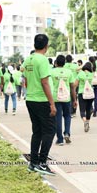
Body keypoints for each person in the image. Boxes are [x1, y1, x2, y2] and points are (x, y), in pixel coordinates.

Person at [23, 34, 56, 175]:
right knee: (49, 131)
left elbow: (25, 81)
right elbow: (44, 82)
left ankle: (33, 162)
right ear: (46, 46)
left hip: (30, 99)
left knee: (37, 132)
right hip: (42, 100)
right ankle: (42, 163)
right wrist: (52, 103)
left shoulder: (28, 60)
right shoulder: (42, 60)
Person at [51, 55, 76, 145]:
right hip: (66, 97)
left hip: (55, 97)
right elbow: (72, 87)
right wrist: (74, 99)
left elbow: (49, 85)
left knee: (58, 118)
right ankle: (67, 133)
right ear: (64, 63)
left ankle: (60, 139)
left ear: (56, 63)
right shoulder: (69, 72)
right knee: (67, 116)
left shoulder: (52, 72)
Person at [75, 62, 94, 132]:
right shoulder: (92, 74)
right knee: (88, 109)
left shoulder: (80, 73)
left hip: (82, 93)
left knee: (82, 110)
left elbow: (75, 84)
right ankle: (88, 123)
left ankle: (85, 121)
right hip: (90, 94)